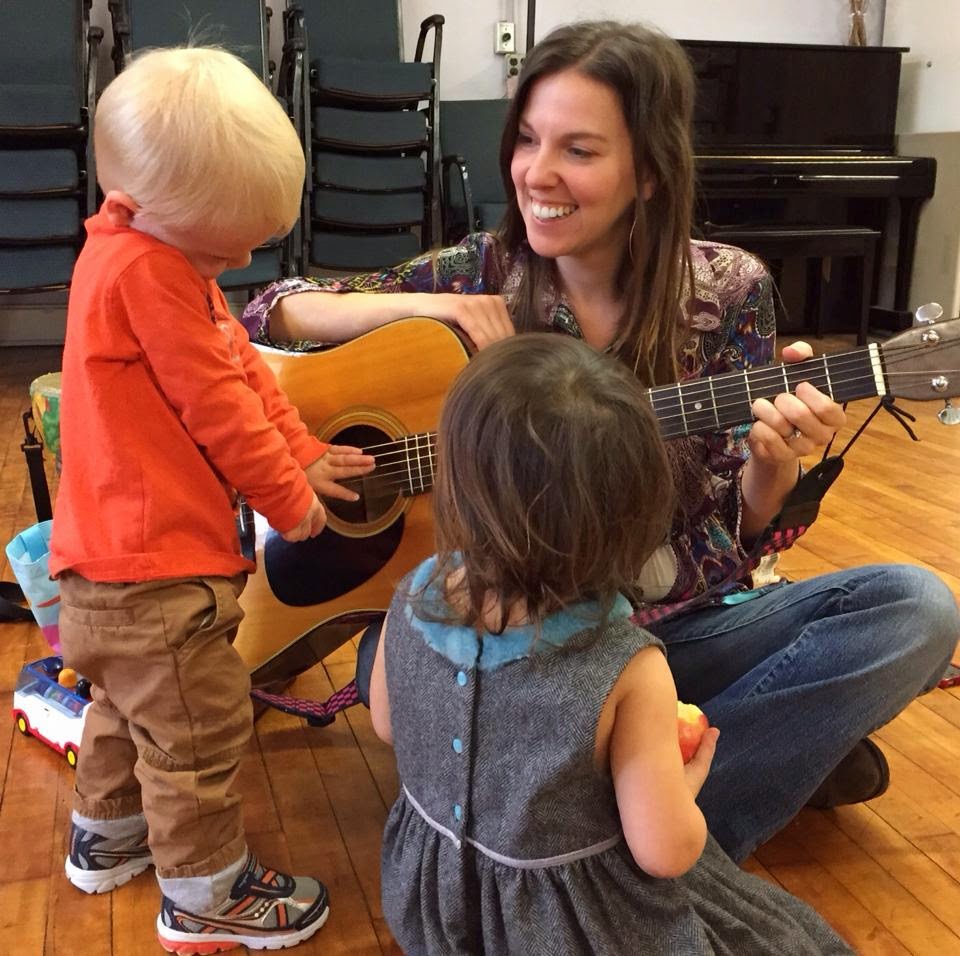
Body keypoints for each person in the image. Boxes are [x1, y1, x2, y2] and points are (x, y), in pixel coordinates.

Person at [241, 21, 959, 864]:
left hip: (664, 639)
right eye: (527, 140)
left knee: (915, 610)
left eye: (577, 150)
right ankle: (697, 776)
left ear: (648, 169)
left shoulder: (729, 291)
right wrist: (430, 305)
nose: (536, 174)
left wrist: (773, 467)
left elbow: (732, 546)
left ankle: (627, 833)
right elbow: (268, 311)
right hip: (504, 644)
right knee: (387, 667)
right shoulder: (485, 270)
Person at [367, 332, 854, 953]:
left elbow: (386, 723)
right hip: (572, 931)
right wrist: (687, 785)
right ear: (632, 516)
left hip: (434, 906)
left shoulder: (411, 592)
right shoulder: (627, 665)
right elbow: (665, 852)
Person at [49, 47, 374, 953]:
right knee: (198, 730)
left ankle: (107, 836)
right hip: (155, 574)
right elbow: (218, 405)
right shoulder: (150, 274)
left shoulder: (144, 252)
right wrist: (289, 500)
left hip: (101, 571)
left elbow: (241, 366)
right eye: (225, 243)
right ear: (148, 203)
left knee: (126, 708)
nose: (240, 259)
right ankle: (204, 894)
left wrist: (303, 450)